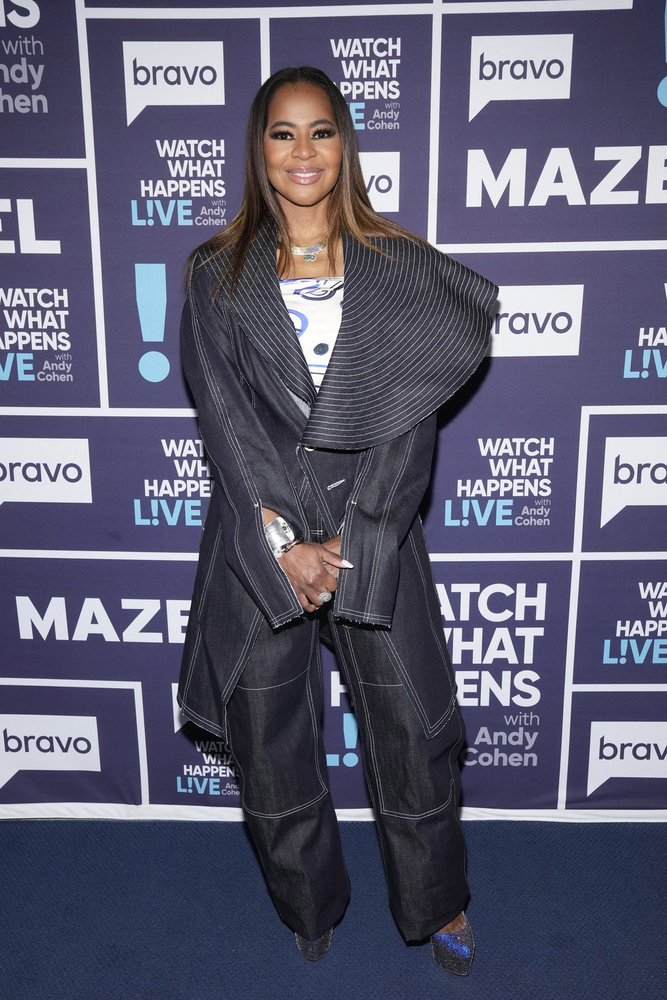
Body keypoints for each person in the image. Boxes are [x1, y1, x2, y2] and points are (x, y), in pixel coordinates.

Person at [177, 66, 497, 975]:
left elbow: (408, 425)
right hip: (263, 549)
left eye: (321, 132)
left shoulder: (400, 265)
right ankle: (308, 904)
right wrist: (286, 546)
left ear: (345, 144)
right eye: (283, 133)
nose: (303, 152)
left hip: (373, 538)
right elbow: (228, 428)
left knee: (413, 737)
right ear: (259, 147)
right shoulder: (215, 273)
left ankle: (438, 902)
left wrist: (353, 543)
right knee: (272, 752)